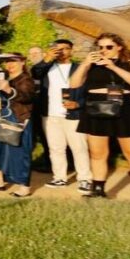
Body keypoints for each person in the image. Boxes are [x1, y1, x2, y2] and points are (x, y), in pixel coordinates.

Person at [71, 33, 130, 198]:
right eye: (100, 47)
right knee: (97, 153)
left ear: (119, 47)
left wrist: (112, 67)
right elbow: (74, 84)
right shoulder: (91, 65)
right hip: (95, 108)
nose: (104, 50)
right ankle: (98, 189)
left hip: (124, 109)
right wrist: (85, 64)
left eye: (108, 47)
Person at [31, 39, 91, 192]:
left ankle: (84, 179)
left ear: (72, 50)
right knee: (55, 148)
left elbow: (89, 91)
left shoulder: (80, 68)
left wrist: (79, 104)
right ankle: (59, 177)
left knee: (79, 148)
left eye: (65, 49)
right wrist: (47, 58)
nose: (61, 52)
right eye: (58, 49)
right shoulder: (47, 67)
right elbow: (35, 72)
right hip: (50, 114)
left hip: (74, 114)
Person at [0, 53, 36, 197]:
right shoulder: (3, 75)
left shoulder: (26, 79)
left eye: (14, 61)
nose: (10, 65)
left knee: (19, 152)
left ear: (23, 62)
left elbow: (27, 96)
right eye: (7, 62)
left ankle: (24, 186)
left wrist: (9, 90)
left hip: (16, 118)